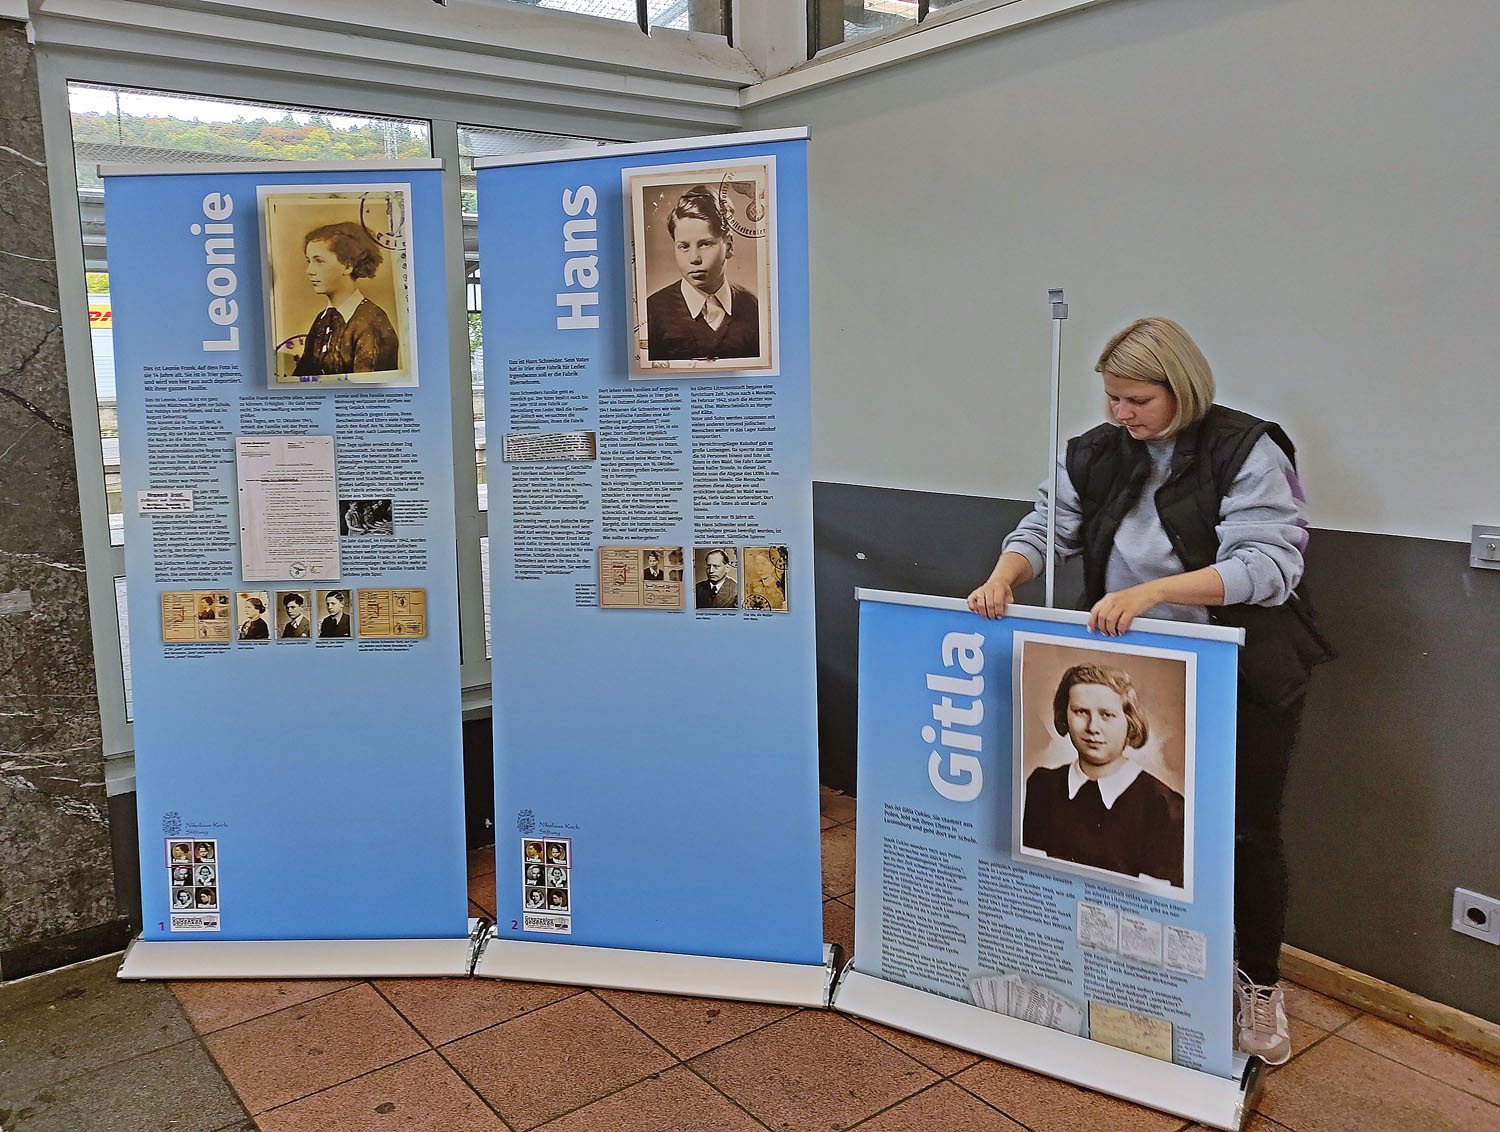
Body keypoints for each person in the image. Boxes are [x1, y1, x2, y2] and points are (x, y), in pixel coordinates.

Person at [967, 317, 1332, 1065]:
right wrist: (1005, 575)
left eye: (1137, 400)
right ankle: (1138, 972)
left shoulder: (1247, 449)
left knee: (1245, 830)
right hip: (1135, 664)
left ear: (1182, 388)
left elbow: (1271, 565)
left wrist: (1158, 590)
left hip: (1242, 669)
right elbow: (1046, 528)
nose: (1122, 414)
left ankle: (1258, 983)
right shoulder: (1094, 452)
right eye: (1112, 399)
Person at [1022, 664, 1184, 886]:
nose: (1093, 727)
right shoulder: (1042, 787)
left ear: (1129, 721)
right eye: (1080, 712)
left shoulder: (1165, 809)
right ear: (1064, 715)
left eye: (1107, 715)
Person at [645, 186, 760, 362]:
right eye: (683, 246)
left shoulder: (753, 308)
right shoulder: (652, 313)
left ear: (729, 246)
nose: (694, 259)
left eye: (705, 244)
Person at [293, 221, 399, 377]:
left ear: (348, 266)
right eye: (309, 261)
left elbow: (367, 387)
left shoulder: (372, 322)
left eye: (319, 261)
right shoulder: (322, 320)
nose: (309, 271)